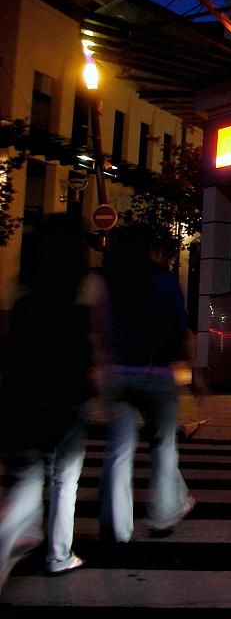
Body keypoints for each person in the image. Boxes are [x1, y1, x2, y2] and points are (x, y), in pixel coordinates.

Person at [86, 225, 198, 544]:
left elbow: (98, 328)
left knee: (118, 451)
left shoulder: (107, 282)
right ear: (149, 250)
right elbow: (181, 328)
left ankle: (116, 528)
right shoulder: (163, 280)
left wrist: (102, 367)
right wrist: (195, 373)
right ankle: (162, 514)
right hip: (156, 373)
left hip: (118, 374)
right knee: (163, 446)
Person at [0, 215, 94, 592]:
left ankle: (13, 541)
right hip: (66, 400)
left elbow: (11, 353)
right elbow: (83, 356)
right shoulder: (77, 302)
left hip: (23, 399)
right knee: (64, 479)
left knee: (25, 477)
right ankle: (58, 554)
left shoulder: (23, 301)